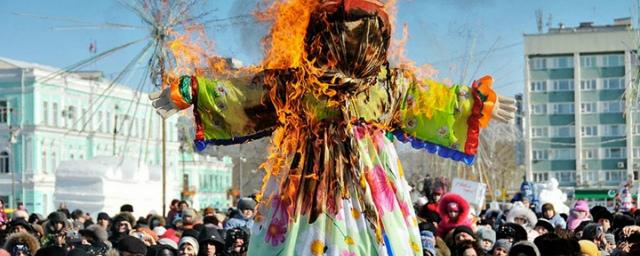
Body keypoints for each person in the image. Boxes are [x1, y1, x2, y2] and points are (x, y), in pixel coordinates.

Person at [149, 0, 516, 254]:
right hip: (306, 188)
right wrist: (192, 93)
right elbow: (245, 95)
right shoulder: (298, 83)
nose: (352, 40)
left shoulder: (388, 84)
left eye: (361, 31)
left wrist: (475, 104)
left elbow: (433, 101)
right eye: (344, 30)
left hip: (371, 188)